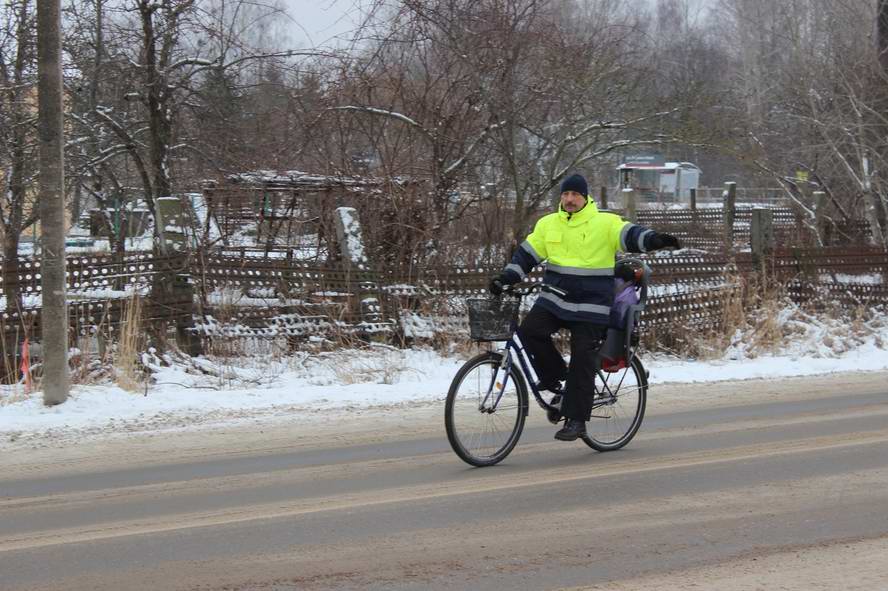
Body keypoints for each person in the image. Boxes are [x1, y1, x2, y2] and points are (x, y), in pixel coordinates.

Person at [489, 173, 680, 441]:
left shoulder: (604, 222)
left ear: (584, 197)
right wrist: (506, 277)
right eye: (565, 195)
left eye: (574, 195)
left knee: (583, 355)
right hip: (555, 299)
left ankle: (577, 420)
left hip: (592, 304)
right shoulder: (548, 224)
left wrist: (654, 240)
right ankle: (557, 378)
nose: (569, 199)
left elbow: (629, 234)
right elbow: (526, 255)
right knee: (529, 331)